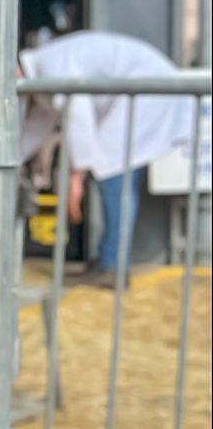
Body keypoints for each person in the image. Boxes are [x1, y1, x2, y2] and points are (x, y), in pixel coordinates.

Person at [18, 31, 198, 276]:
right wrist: (7, 159)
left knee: (115, 176)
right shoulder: (40, 76)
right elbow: (37, 126)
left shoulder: (52, 67)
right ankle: (109, 258)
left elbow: (77, 116)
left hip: (146, 93)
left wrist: (75, 179)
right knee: (114, 173)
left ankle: (112, 266)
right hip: (135, 94)